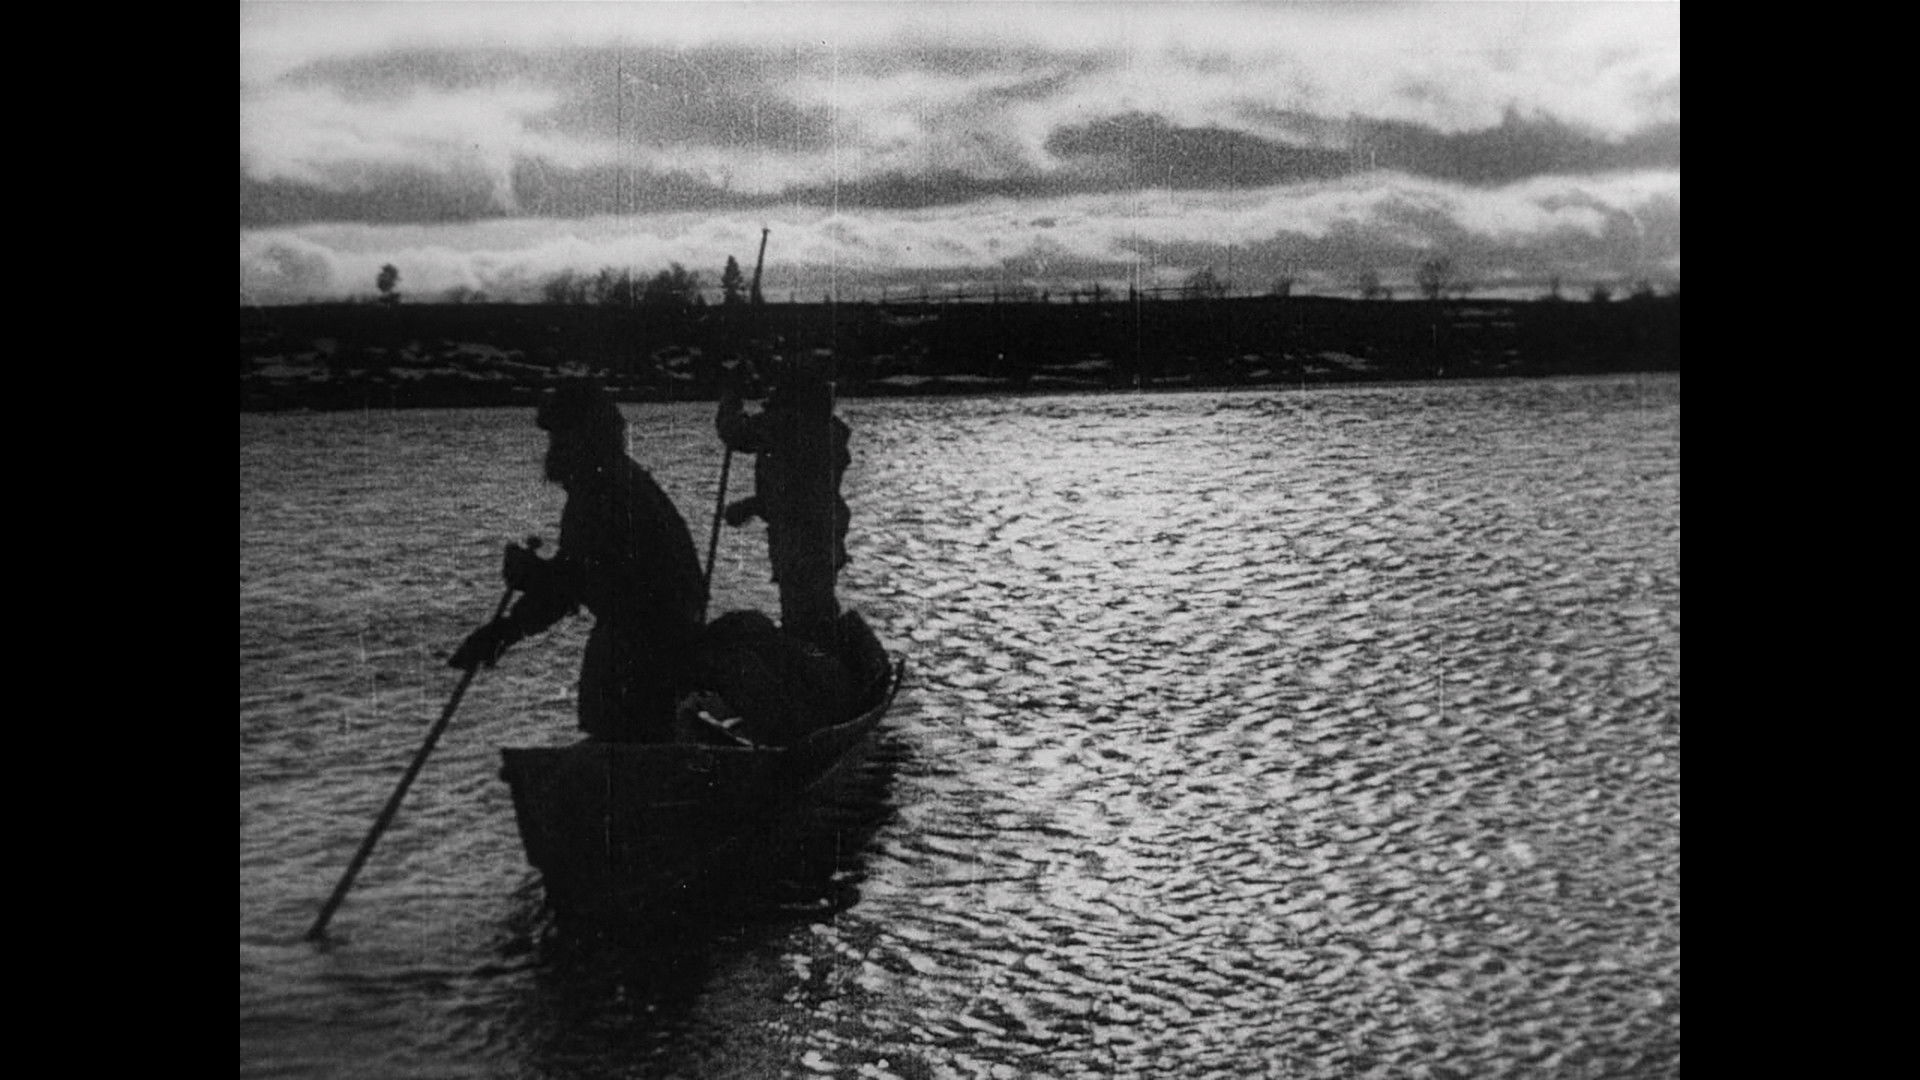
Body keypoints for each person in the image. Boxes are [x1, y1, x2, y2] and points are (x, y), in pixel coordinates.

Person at [449, 381, 707, 742]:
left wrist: (526, 591)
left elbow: (576, 581)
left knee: (617, 721)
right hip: (658, 628)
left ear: (584, 436)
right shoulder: (613, 481)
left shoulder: (603, 491)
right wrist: (510, 626)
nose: (553, 449)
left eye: (560, 436)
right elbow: (579, 577)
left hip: (645, 635)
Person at [715, 352, 851, 649]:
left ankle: (813, 664)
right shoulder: (827, 429)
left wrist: (732, 395)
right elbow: (798, 493)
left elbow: (734, 432)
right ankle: (826, 661)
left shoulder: (785, 424)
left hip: (799, 540)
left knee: (803, 615)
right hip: (823, 536)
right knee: (818, 610)